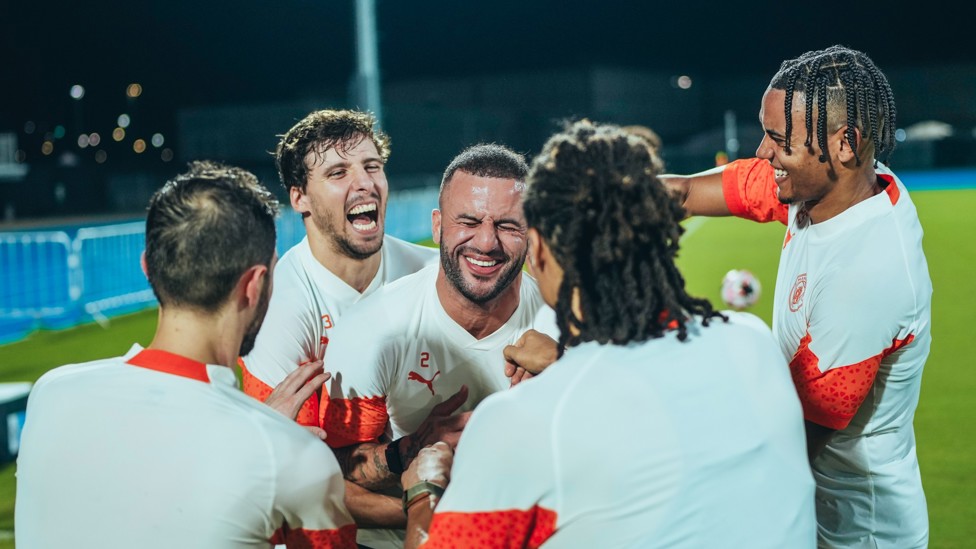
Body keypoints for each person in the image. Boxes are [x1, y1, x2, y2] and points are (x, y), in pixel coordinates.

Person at [399, 121, 816, 548]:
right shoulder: (752, 343)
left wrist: (423, 490)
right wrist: (568, 364)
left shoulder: (523, 420)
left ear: (538, 249)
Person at [661, 46, 932, 547]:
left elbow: (789, 439)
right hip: (813, 503)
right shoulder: (832, 188)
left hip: (856, 526)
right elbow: (678, 193)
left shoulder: (867, 275)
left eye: (779, 139)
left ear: (845, 144)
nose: (763, 152)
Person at [15, 162, 356, 548]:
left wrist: (264, 432)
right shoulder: (293, 458)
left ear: (148, 268)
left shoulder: (51, 393)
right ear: (254, 285)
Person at [320, 143, 545, 548]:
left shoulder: (558, 321)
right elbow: (337, 470)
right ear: (438, 225)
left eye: (509, 226)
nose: (487, 242)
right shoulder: (371, 330)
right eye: (469, 221)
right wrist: (411, 450)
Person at [240, 110, 437, 540]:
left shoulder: (431, 274)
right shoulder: (281, 307)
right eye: (338, 172)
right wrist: (424, 514)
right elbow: (287, 471)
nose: (363, 182)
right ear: (300, 198)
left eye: (372, 166)